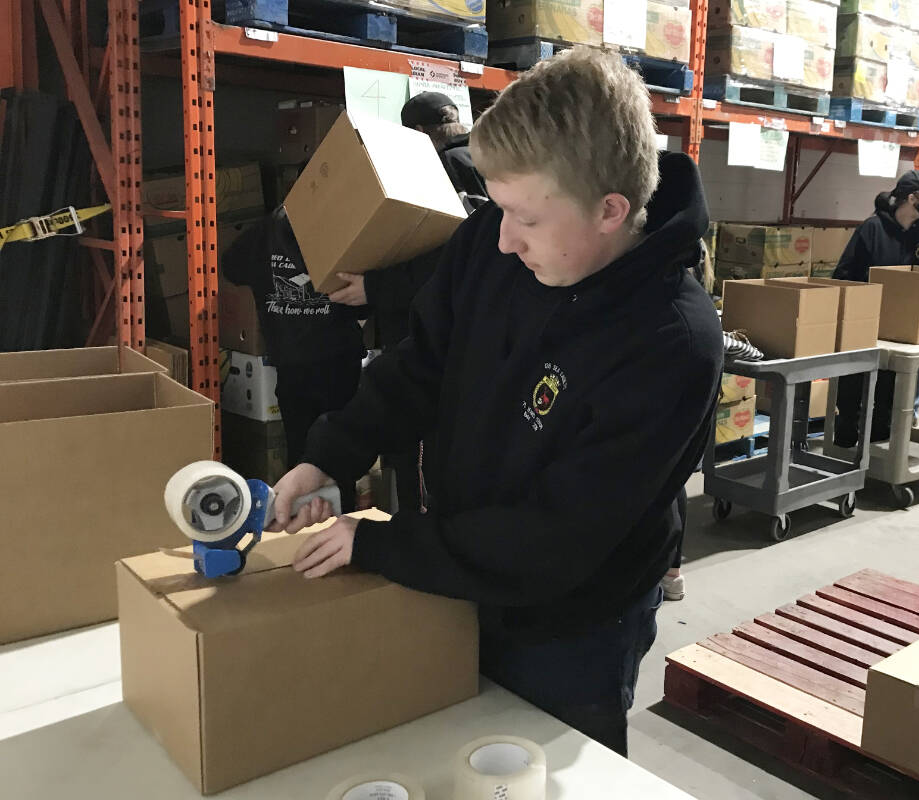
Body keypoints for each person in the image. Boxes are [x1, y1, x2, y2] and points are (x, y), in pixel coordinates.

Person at [269, 48, 723, 757]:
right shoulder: (492, 239)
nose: (504, 239)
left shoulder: (672, 343)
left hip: (573, 624)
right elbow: (421, 362)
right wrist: (330, 456)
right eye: (499, 207)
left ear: (610, 210)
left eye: (525, 218)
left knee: (540, 771)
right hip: (462, 568)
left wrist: (382, 544)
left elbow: (559, 535)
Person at [328, 91, 491, 515]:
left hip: (429, 335)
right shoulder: (483, 163)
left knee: (417, 457)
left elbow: (448, 258)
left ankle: (417, 532)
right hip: (467, 343)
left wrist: (377, 288)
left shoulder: (443, 168)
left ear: (418, 133)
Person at [221, 206, 366, 512]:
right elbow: (365, 301)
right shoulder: (343, 233)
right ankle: (342, 516)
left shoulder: (263, 233)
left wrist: (264, 278)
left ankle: (302, 519)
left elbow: (231, 267)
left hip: (291, 362)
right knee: (342, 446)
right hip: (338, 360)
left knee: (300, 448)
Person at [832, 170, 919, 447]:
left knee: (890, 384)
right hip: (865, 321)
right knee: (853, 381)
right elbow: (843, 274)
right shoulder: (873, 228)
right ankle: (845, 440)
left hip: (903, 325)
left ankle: (879, 442)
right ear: (912, 198)